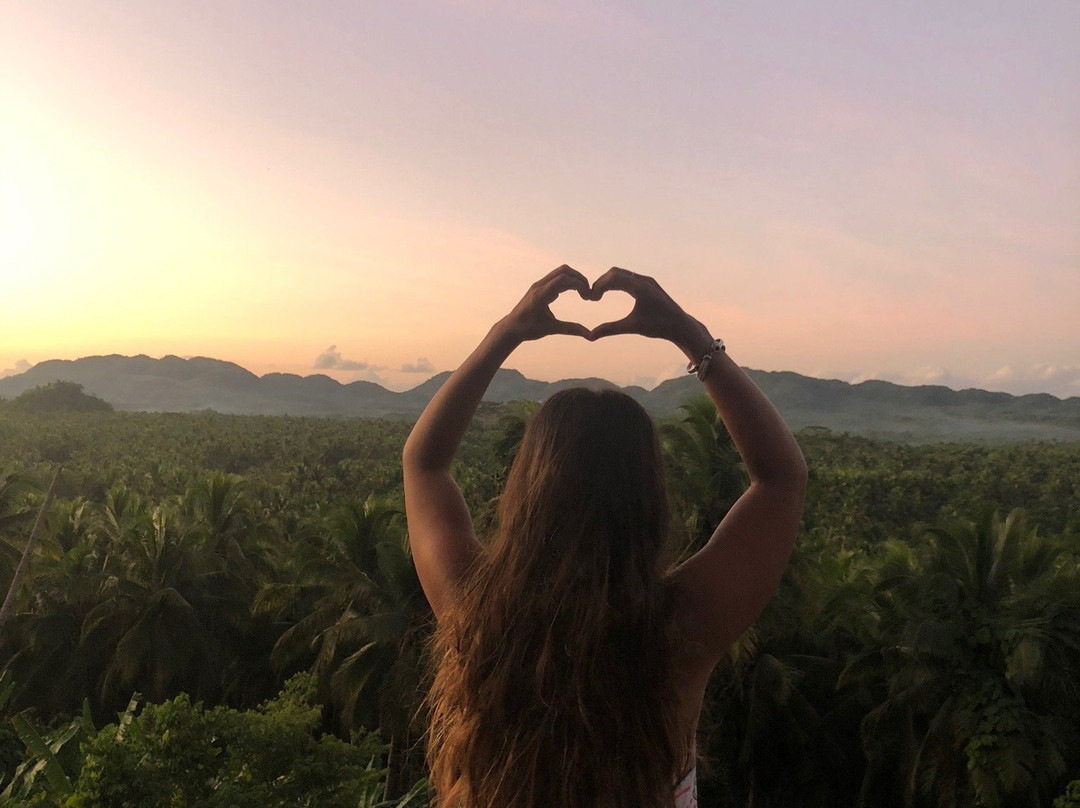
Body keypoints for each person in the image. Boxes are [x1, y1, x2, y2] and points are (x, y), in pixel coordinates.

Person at [403, 266, 808, 808]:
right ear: (650, 499)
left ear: (525, 490)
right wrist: (688, 334)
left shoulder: (474, 610)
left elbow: (424, 465)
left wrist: (507, 332)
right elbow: (782, 478)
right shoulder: (681, 627)